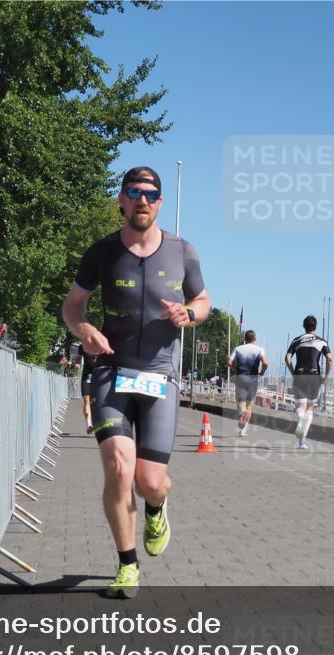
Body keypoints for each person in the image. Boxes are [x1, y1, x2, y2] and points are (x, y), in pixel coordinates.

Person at [61, 166, 210, 598]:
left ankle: (157, 508)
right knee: (118, 468)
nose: (142, 200)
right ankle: (128, 565)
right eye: (133, 192)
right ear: (122, 201)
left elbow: (203, 301)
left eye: (150, 193)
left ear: (159, 203)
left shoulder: (183, 252)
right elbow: (72, 307)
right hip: (110, 369)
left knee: (148, 481)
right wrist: (84, 330)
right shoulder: (102, 252)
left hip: (160, 375)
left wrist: (192, 314)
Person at [284, 315, 332, 449]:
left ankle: (300, 418)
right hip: (314, 376)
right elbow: (329, 359)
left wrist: (293, 372)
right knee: (310, 407)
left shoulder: (296, 340)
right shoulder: (321, 341)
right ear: (315, 327)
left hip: (299, 374)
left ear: (304, 326)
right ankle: (302, 441)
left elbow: (287, 358)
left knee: (300, 405)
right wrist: (326, 376)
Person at [227, 330, 268, 437]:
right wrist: (262, 372)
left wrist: (235, 368)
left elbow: (229, 362)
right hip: (253, 379)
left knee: (241, 404)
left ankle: (242, 415)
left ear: (245, 339)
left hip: (241, 377)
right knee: (249, 405)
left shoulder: (238, 349)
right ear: (255, 339)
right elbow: (265, 362)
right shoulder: (260, 349)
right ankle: (243, 430)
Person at [73, 347, 99, 435]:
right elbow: (78, 358)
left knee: (97, 401)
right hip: (87, 375)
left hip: (99, 375)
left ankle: (99, 422)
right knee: (86, 400)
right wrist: (77, 364)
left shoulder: (103, 343)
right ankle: (89, 425)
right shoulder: (83, 346)